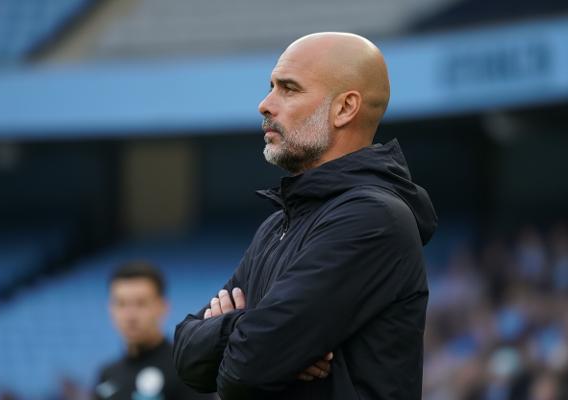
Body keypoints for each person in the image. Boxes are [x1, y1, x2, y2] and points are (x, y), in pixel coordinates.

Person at [173, 32, 438, 399]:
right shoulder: (278, 223)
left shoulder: (373, 218)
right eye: (271, 87)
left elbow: (245, 369)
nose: (265, 105)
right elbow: (185, 358)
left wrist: (247, 337)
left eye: (289, 89)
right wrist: (251, 332)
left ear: (344, 108)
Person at [93, 261, 214, 400]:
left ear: (162, 306)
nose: (130, 315)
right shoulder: (107, 375)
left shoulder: (186, 369)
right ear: (110, 308)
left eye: (141, 303)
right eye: (121, 304)